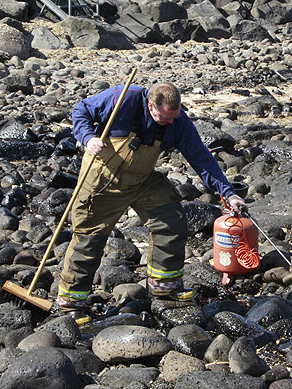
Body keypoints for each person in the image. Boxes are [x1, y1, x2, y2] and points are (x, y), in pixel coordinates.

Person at [56, 82, 246, 322]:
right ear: (150, 104)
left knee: (171, 218)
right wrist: (88, 137)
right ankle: (71, 302)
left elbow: (201, 158)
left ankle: (164, 285)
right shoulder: (122, 98)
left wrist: (228, 193)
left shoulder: (178, 121)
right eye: (163, 118)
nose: (169, 123)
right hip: (102, 179)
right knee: (89, 239)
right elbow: (80, 111)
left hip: (141, 180)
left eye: (173, 118)